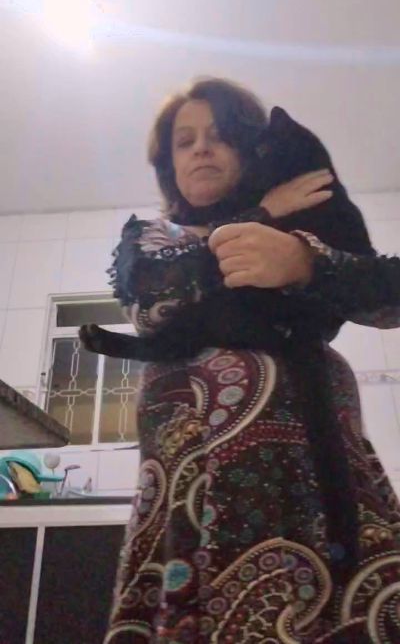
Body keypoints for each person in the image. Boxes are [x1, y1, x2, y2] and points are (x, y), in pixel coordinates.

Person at [104, 78, 400, 643]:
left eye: (219, 136)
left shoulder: (303, 228)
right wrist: (262, 213)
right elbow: (154, 302)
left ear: (248, 150)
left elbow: (390, 300)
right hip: (196, 499)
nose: (201, 148)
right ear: (170, 165)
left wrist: (306, 264)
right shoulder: (154, 236)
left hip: (321, 487)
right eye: (185, 140)